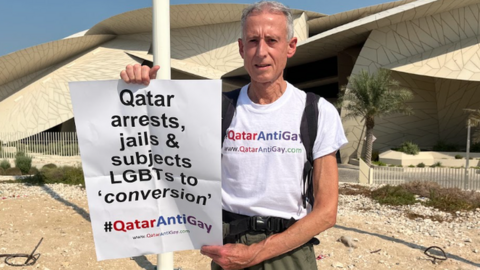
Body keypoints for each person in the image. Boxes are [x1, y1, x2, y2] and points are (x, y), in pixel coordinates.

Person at [121, 1, 348, 269]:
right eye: (252, 41)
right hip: (230, 247)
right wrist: (141, 91)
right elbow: (158, 143)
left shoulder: (317, 111)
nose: (261, 52)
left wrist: (256, 253)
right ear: (242, 48)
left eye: (272, 40)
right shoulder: (218, 109)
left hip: (290, 253)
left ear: (291, 46)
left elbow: (325, 213)